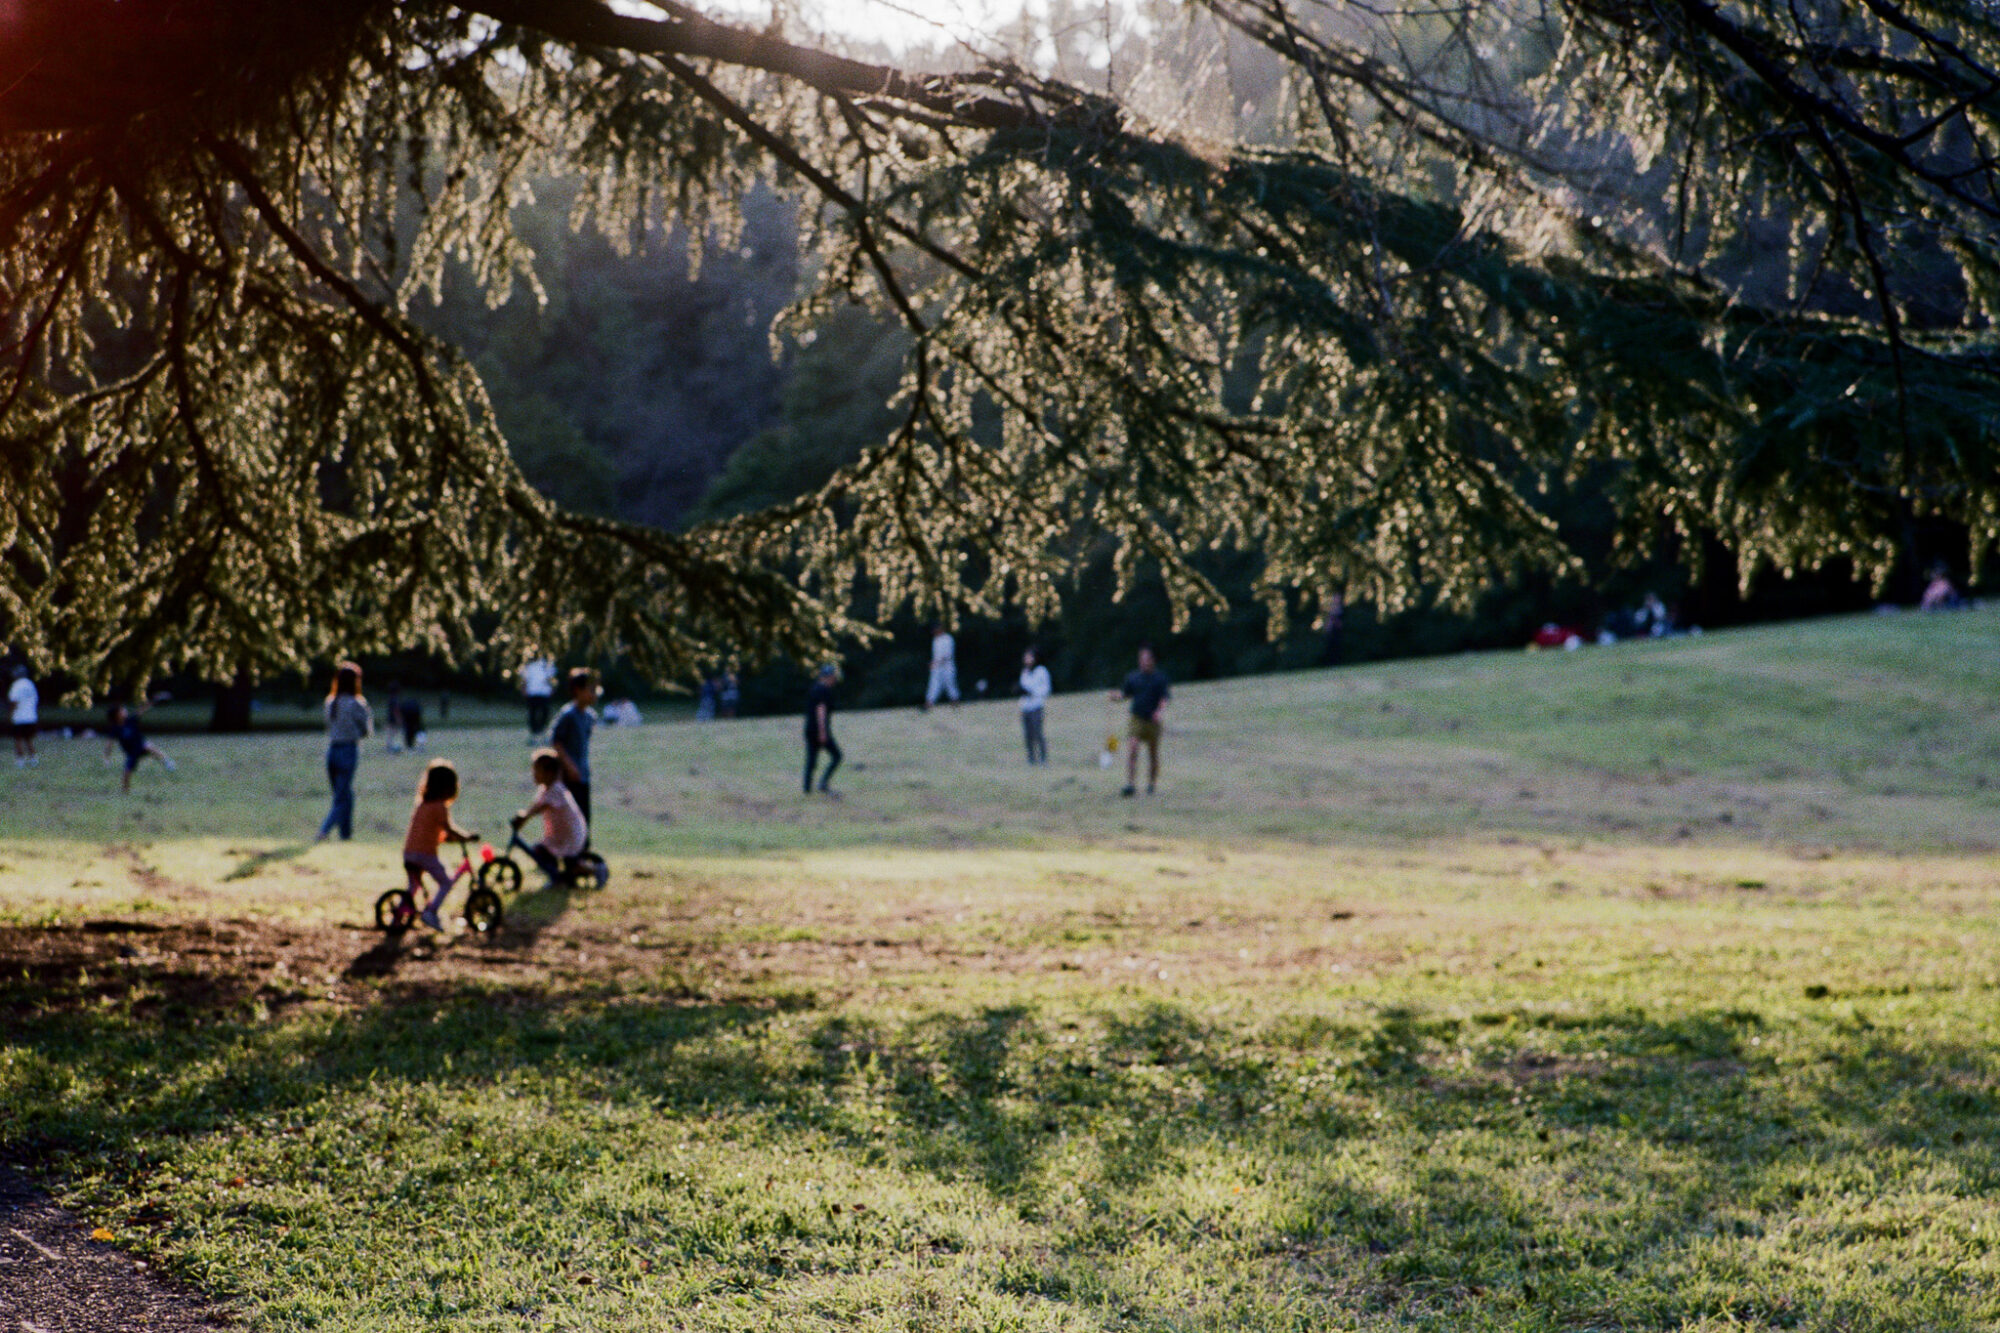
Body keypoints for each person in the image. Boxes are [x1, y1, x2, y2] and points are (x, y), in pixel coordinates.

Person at [403, 758, 477, 931]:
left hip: (409, 852)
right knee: (445, 882)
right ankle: (431, 911)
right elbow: (448, 829)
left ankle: (399, 915)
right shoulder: (439, 807)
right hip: (424, 855)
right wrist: (465, 837)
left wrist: (448, 838)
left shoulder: (423, 804)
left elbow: (431, 832)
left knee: (413, 886)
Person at [511, 749, 589, 889]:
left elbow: (540, 807)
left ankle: (594, 870)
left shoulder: (557, 790)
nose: (533, 774)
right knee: (542, 852)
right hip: (560, 836)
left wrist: (525, 816)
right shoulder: (545, 789)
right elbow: (536, 805)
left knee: (568, 864)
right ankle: (557, 877)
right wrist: (524, 815)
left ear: (549, 773)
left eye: (536, 771)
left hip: (570, 837)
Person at [316, 661, 373, 842]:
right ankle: (324, 831)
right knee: (342, 797)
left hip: (332, 751)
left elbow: (328, 726)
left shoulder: (331, 703)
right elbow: (366, 730)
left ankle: (345, 834)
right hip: (348, 750)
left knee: (344, 794)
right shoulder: (357, 703)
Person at [1110, 644, 1170, 797]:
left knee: (1153, 754)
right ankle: (1130, 784)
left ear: (1152, 661)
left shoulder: (1160, 678)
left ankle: (1151, 784)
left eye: (1146, 659)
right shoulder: (1133, 677)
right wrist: (1116, 697)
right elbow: (1126, 694)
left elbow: (1164, 699)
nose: (1142, 662)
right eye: (1141, 659)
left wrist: (1159, 711)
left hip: (1153, 721)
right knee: (1133, 749)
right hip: (1136, 719)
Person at [549, 667, 600, 846]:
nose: (595, 694)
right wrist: (569, 766)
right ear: (578, 690)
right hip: (569, 777)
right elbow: (556, 741)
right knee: (571, 818)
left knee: (584, 818)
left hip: (583, 775)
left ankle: (582, 854)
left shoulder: (589, 716)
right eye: (592, 690)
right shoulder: (568, 715)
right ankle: (569, 855)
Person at [104, 697, 175, 792]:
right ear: (117, 715)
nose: (125, 711)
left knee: (149, 746)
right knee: (126, 773)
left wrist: (154, 701)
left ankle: (166, 761)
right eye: (122, 710)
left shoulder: (130, 720)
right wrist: (107, 758)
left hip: (141, 746)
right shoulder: (115, 728)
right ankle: (125, 790)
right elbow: (109, 744)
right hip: (131, 753)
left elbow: (142, 710)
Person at [804, 664, 842, 794]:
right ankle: (823, 783)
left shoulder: (815, 688)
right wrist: (823, 732)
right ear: (828, 677)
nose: (835, 679)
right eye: (833, 677)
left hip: (809, 729)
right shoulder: (823, 690)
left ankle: (807, 789)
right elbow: (821, 711)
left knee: (811, 760)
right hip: (819, 730)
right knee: (837, 756)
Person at [1018, 646, 1051, 764]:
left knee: (1038, 733)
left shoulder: (1042, 671)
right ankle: (1031, 759)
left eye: (1029, 657)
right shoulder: (1025, 672)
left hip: (1036, 706)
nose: (1027, 659)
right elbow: (1023, 687)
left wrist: (1033, 693)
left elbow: (1046, 689)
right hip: (1026, 707)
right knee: (1028, 735)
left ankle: (1043, 758)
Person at [924, 623, 960, 709]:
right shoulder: (935, 640)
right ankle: (929, 703)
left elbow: (948, 654)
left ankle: (955, 701)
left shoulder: (948, 639)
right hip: (937, 667)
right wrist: (933, 663)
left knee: (950, 684)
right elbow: (936, 655)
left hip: (947, 666)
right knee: (933, 684)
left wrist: (936, 662)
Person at [9, 665, 38, 768]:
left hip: (19, 717)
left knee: (18, 739)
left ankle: (20, 761)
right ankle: (33, 759)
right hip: (31, 716)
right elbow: (35, 700)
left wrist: (11, 713)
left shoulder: (16, 685)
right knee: (29, 739)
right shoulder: (30, 684)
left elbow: (14, 701)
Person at [521, 656, 557, 739]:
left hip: (544, 693)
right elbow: (525, 679)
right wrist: (524, 689)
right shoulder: (528, 666)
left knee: (545, 713)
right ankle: (534, 733)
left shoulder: (547, 665)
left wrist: (552, 688)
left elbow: (552, 679)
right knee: (532, 714)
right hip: (532, 693)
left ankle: (543, 731)